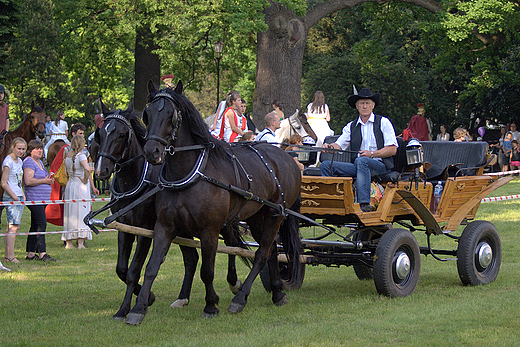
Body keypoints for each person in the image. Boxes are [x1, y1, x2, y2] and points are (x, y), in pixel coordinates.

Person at [320, 88, 398, 213]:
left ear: (373, 105)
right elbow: (338, 145)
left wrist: (372, 154)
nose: (365, 106)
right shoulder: (351, 126)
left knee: (362, 160)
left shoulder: (383, 122)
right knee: (325, 165)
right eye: (362, 103)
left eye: (367, 103)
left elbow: (392, 149)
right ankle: (333, 200)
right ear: (357, 106)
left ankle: (364, 203)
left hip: (380, 165)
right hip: (359, 166)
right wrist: (328, 147)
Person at [46, 123, 99, 226]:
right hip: (70, 183)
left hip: (83, 185)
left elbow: (86, 170)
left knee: (83, 209)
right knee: (70, 211)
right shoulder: (66, 150)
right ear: (73, 134)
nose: (82, 136)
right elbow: (58, 168)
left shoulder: (85, 152)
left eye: (83, 133)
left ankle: (81, 234)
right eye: (80, 133)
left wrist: (92, 186)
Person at [23, 139, 56, 261]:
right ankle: (42, 253)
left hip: (42, 199)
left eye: (41, 149)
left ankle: (31, 253)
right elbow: (28, 181)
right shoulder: (29, 162)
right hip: (34, 199)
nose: (40, 151)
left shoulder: (40, 162)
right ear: (31, 151)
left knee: (35, 224)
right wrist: (44, 181)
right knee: (42, 224)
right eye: (37, 149)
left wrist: (49, 180)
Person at [62, 135, 93, 249]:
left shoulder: (68, 156)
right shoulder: (81, 156)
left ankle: (69, 242)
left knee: (70, 212)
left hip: (70, 184)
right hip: (80, 186)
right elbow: (87, 169)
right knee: (81, 211)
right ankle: (80, 242)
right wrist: (85, 180)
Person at [1, 138, 27, 263]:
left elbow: (19, 180)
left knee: (13, 226)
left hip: (18, 195)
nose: (21, 151)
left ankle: (8, 255)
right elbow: (3, 183)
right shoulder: (8, 162)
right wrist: (14, 196)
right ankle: (10, 256)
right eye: (19, 148)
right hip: (11, 197)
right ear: (13, 147)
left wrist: (22, 193)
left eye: (23, 149)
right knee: (13, 226)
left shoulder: (20, 161)